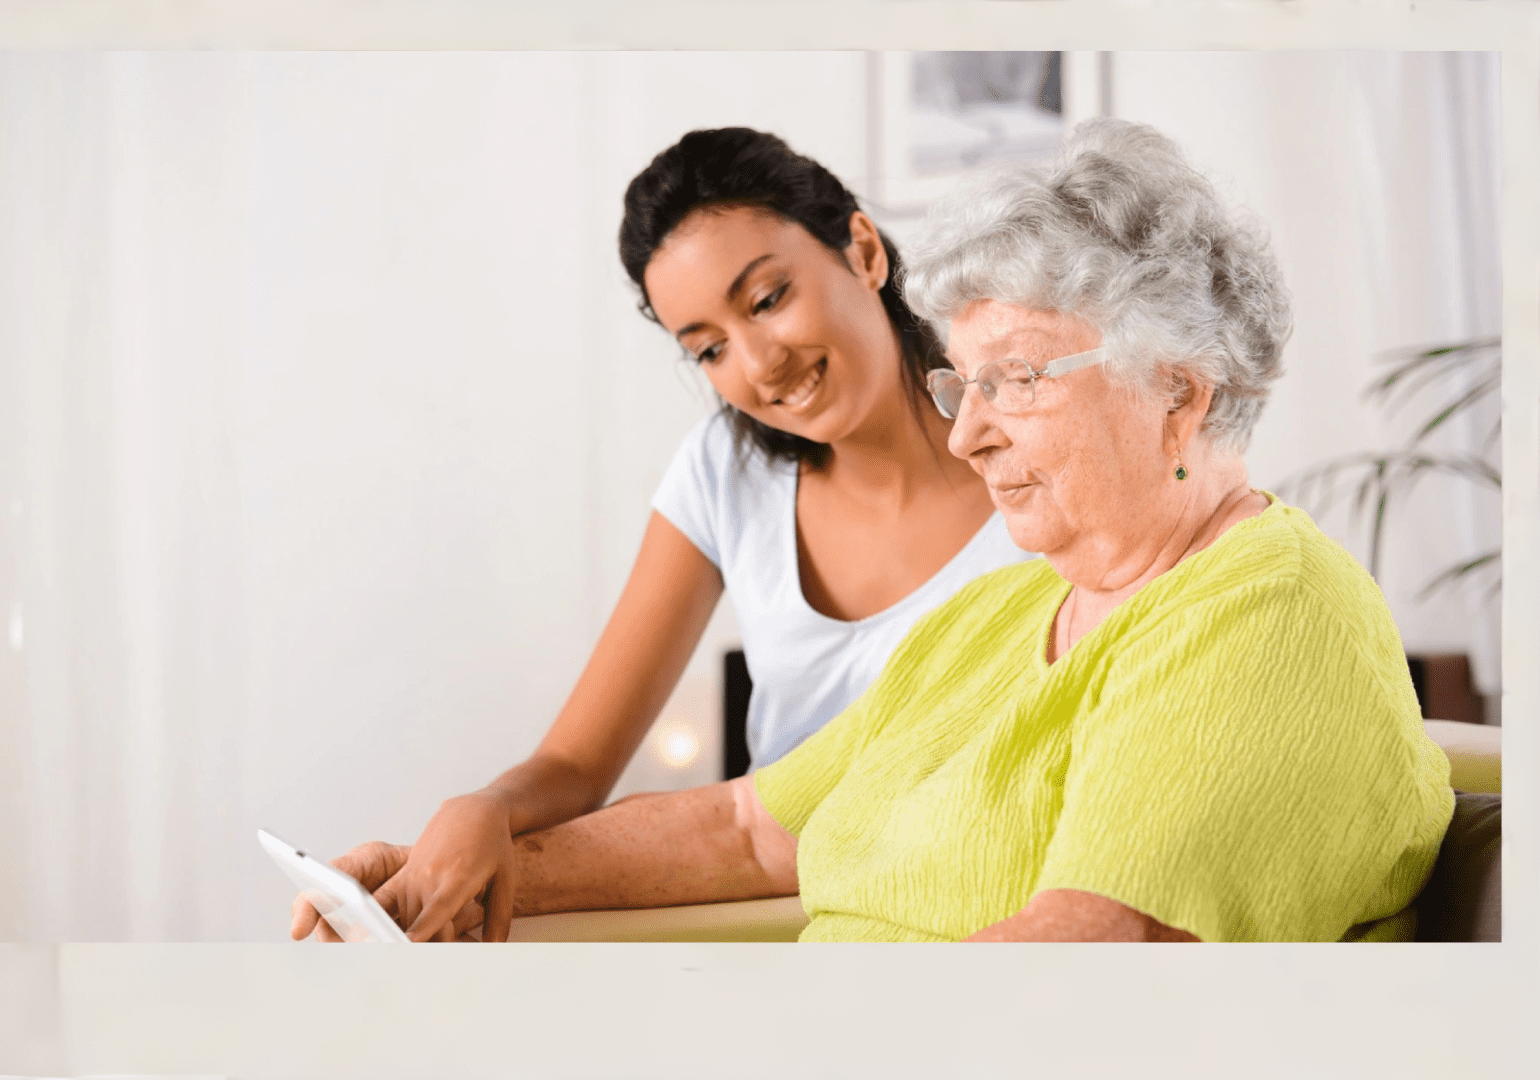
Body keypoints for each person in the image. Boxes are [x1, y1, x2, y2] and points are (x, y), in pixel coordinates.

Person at [294, 117, 1455, 943]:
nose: (968, 437)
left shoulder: (1261, 614)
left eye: (1015, 382)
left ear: (1180, 392)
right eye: (966, 387)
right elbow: (756, 830)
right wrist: (424, 879)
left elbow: (1091, 968)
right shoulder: (1011, 607)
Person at [292, 128, 1031, 942]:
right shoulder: (726, 471)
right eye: (710, 348)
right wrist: (478, 819)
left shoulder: (1037, 458)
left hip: (966, 896)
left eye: (767, 300)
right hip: (763, 893)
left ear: (860, 249)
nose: (757, 364)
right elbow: (578, 764)